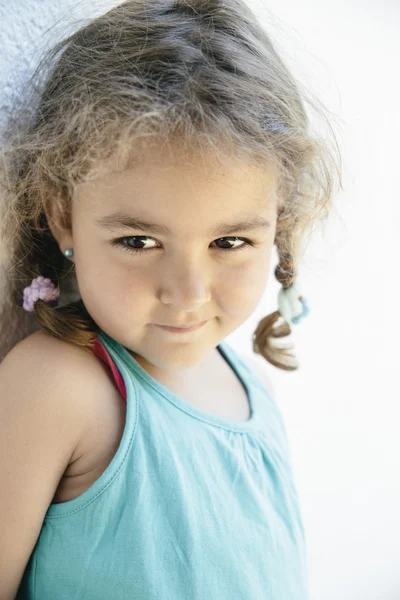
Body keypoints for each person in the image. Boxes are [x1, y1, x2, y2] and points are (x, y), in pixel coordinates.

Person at [0, 0, 341, 598]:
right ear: (63, 219)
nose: (187, 293)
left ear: (278, 222)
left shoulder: (252, 392)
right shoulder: (55, 390)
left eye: (230, 240)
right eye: (139, 240)